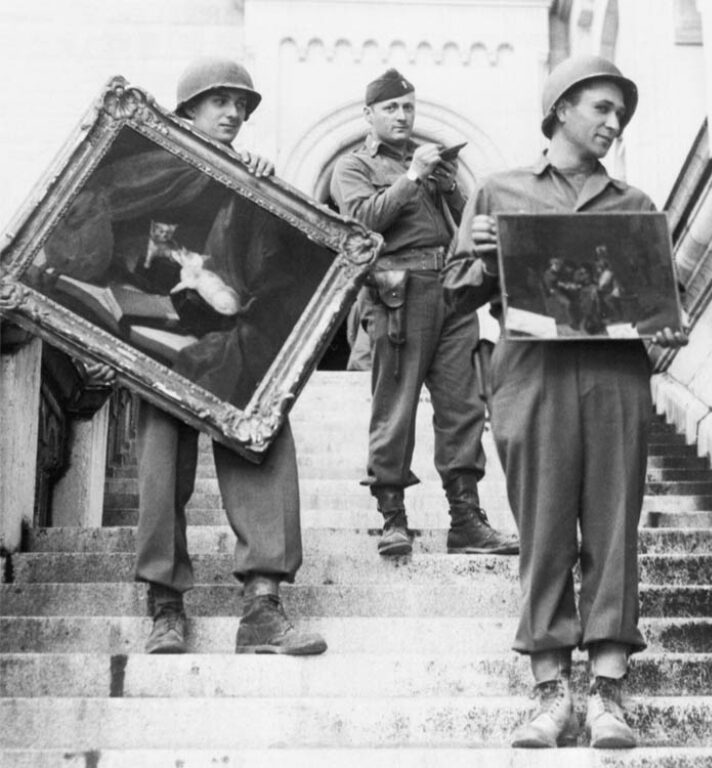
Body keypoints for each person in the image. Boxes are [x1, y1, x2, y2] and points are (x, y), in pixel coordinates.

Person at [444, 54, 686, 749]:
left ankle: (608, 692)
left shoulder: (635, 206)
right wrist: (480, 252)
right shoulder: (498, 190)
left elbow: (661, 307)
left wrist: (669, 326)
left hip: (615, 377)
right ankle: (551, 693)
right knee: (544, 528)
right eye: (601, 108)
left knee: (612, 526)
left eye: (621, 113)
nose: (613, 123)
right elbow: (456, 298)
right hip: (531, 375)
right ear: (560, 110)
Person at [123, 58, 326, 656]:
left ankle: (263, 606)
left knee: (261, 440)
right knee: (161, 467)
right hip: (161, 340)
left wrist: (263, 193)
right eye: (220, 101)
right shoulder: (148, 172)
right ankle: (164, 606)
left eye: (242, 104)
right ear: (187, 109)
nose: (234, 113)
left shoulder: (247, 180)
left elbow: (283, 267)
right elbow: (116, 254)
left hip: (238, 341)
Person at [330, 68, 518, 557]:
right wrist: (413, 177)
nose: (402, 115)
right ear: (368, 115)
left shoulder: (428, 167)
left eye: (408, 107)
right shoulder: (353, 167)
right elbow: (361, 224)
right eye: (391, 108)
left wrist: (450, 186)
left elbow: (464, 226)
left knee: (463, 407)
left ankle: (466, 520)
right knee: (395, 406)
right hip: (397, 291)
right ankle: (393, 518)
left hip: (451, 292)